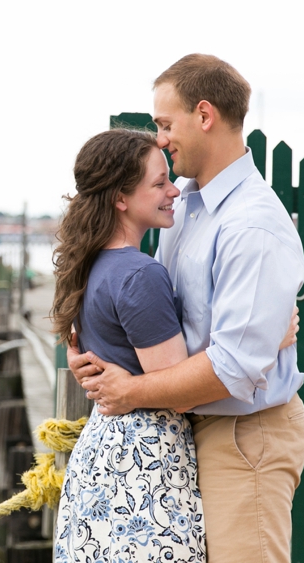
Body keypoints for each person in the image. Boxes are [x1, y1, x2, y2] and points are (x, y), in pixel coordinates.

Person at [70, 54, 304, 563]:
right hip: (190, 430)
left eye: (164, 123)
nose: (159, 138)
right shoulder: (185, 209)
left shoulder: (251, 224)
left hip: (245, 436)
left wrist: (128, 389)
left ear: (204, 116)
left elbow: (231, 368)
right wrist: (91, 356)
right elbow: (163, 320)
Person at [51, 128, 205, 563]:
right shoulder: (140, 274)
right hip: (143, 464)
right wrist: (268, 339)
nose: (174, 190)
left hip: (101, 455)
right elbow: (180, 390)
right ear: (121, 197)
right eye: (158, 183)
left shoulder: (90, 263)